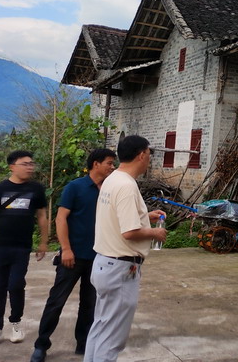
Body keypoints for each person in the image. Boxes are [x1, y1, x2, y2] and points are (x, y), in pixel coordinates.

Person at [82, 136, 166, 362]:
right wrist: (155, 232)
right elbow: (129, 232)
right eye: (149, 155)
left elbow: (117, 217)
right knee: (112, 338)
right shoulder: (127, 185)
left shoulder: (112, 179)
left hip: (105, 264)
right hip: (120, 269)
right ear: (141, 155)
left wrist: (144, 216)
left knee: (101, 326)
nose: (149, 160)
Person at [29, 148, 117, 362]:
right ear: (96, 164)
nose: (112, 167)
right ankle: (41, 345)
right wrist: (66, 249)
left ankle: (83, 342)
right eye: (109, 163)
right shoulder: (75, 187)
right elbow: (60, 219)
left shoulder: (110, 189)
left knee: (89, 303)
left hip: (99, 257)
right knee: (56, 301)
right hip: (73, 256)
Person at [0, 150, 48, 347]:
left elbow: (42, 216)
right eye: (25, 164)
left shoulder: (36, 189)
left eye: (32, 163)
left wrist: (43, 242)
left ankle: (15, 323)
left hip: (21, 247)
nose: (30, 167)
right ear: (12, 166)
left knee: (15, 285)